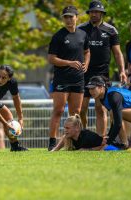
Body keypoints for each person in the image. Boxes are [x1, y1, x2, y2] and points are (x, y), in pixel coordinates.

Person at [78, 0, 126, 136]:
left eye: (97, 12)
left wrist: (122, 71)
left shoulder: (111, 30)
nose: (94, 14)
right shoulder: (81, 29)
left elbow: (117, 53)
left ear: (102, 14)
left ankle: (101, 140)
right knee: (82, 109)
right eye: (92, 12)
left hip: (102, 74)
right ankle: (84, 134)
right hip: (84, 72)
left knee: (100, 108)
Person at [47, 5, 90, 151]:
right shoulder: (58, 36)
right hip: (62, 79)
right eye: (66, 17)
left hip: (78, 79)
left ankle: (76, 143)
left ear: (77, 17)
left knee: (76, 113)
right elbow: (51, 58)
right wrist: (69, 63)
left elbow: (87, 51)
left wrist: (86, 64)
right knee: (58, 110)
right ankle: (52, 142)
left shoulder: (83, 34)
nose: (68, 19)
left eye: (71, 16)